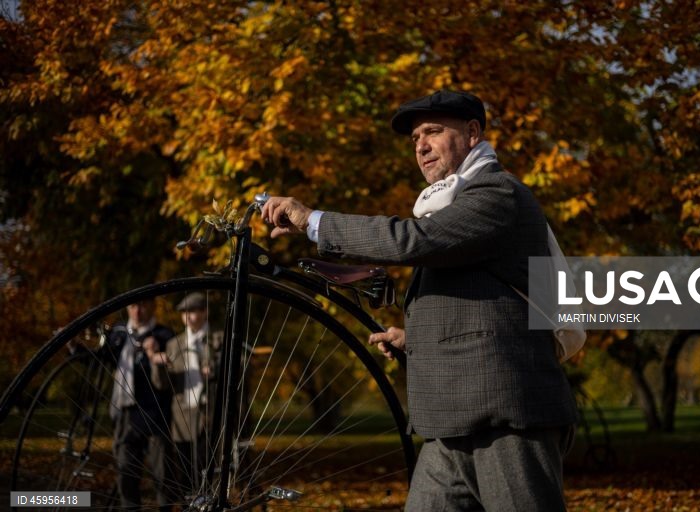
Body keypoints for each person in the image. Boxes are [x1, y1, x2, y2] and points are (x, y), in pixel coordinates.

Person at [260, 90, 578, 511]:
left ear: (472, 133)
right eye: (415, 139)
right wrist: (416, 338)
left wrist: (312, 220)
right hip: (448, 424)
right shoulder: (452, 204)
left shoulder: (496, 194)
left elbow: (411, 241)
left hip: (507, 419)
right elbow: (484, 304)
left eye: (432, 132)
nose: (421, 146)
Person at [147, 292, 223, 499]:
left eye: (194, 312)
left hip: (210, 413)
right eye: (185, 313)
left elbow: (239, 368)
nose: (189, 317)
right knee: (185, 472)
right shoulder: (174, 344)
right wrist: (157, 364)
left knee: (208, 468)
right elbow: (162, 385)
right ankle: (190, 504)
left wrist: (214, 368)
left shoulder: (219, 338)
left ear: (205, 312)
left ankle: (210, 502)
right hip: (183, 416)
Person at [103, 299, 175, 512]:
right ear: (127, 309)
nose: (137, 310)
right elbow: (100, 359)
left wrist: (156, 354)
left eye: (143, 305)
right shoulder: (118, 335)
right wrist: (74, 348)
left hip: (155, 413)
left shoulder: (164, 335)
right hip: (125, 413)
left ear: (152, 307)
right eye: (133, 306)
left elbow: (174, 364)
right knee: (126, 471)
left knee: (163, 474)